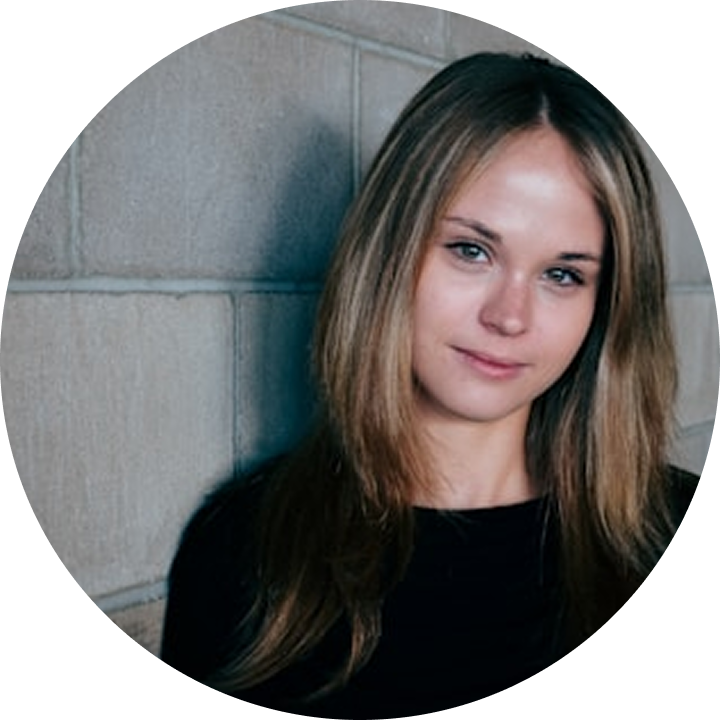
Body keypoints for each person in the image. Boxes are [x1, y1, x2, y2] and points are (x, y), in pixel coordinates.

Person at [160, 51, 720, 713]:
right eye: (471, 250)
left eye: (562, 274)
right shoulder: (242, 551)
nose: (509, 316)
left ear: (607, 306)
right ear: (390, 253)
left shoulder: (690, 539)